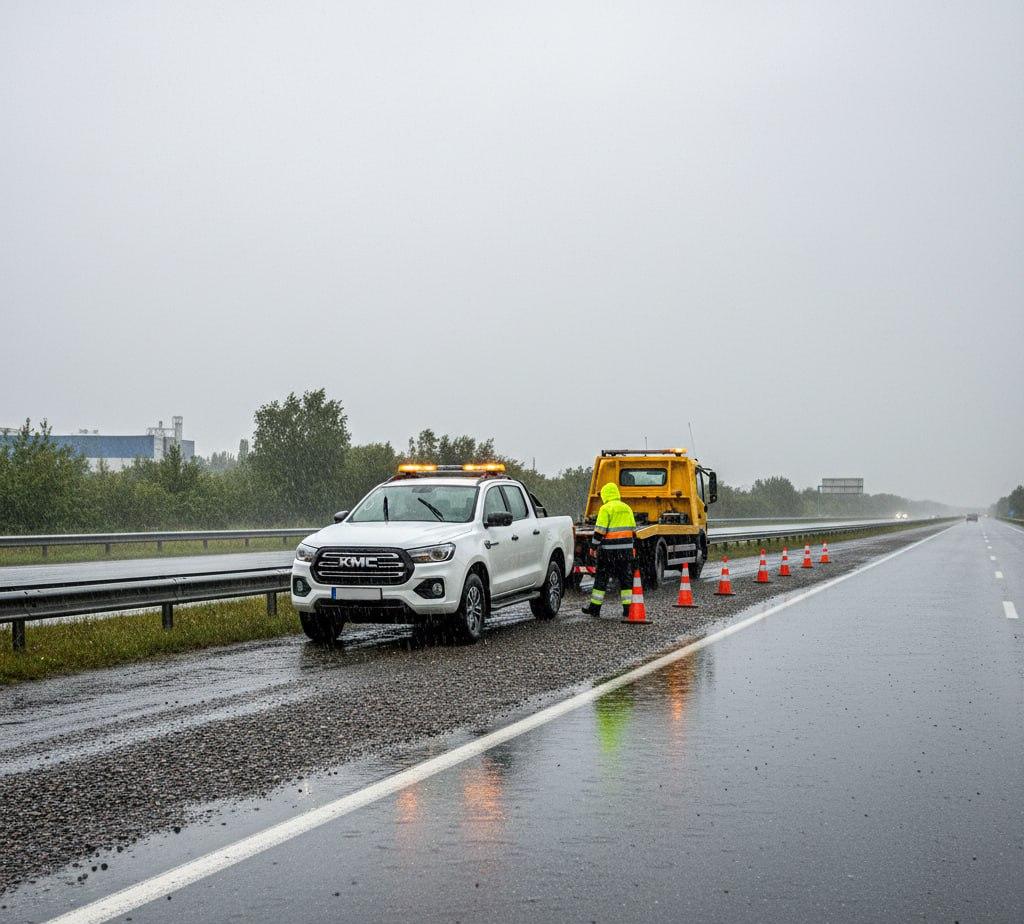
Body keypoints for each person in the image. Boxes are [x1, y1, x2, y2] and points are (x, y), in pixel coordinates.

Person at [582, 482, 636, 619]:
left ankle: (595, 609)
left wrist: (593, 547)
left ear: (606, 495)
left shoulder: (605, 509)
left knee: (601, 579)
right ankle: (627, 609)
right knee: (626, 579)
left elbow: (599, 531)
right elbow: (633, 530)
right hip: (625, 552)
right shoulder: (627, 508)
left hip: (608, 552)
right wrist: (632, 547)